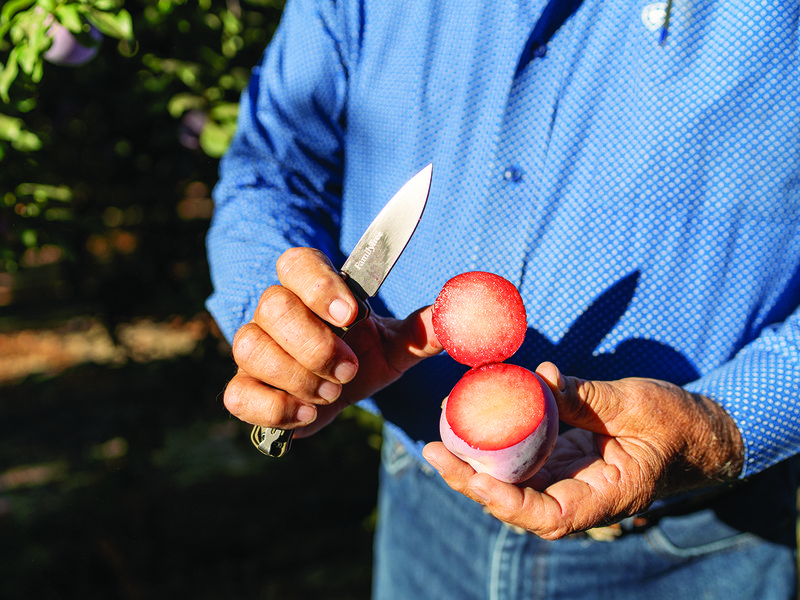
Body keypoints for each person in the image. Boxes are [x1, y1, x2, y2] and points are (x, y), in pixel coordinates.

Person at [206, 0, 800, 598]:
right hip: (424, 499)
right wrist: (286, 322)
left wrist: (724, 424)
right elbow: (272, 165)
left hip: (696, 545)